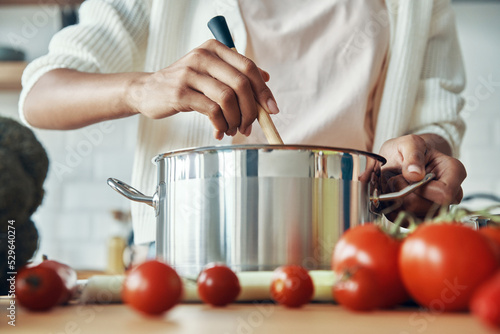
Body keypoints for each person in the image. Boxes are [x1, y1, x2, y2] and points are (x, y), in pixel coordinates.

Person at [20, 0, 467, 245]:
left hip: (352, 254)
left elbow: (435, 124)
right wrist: (143, 87)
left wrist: (418, 159)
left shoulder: (422, 5)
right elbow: (41, 93)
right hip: (184, 251)